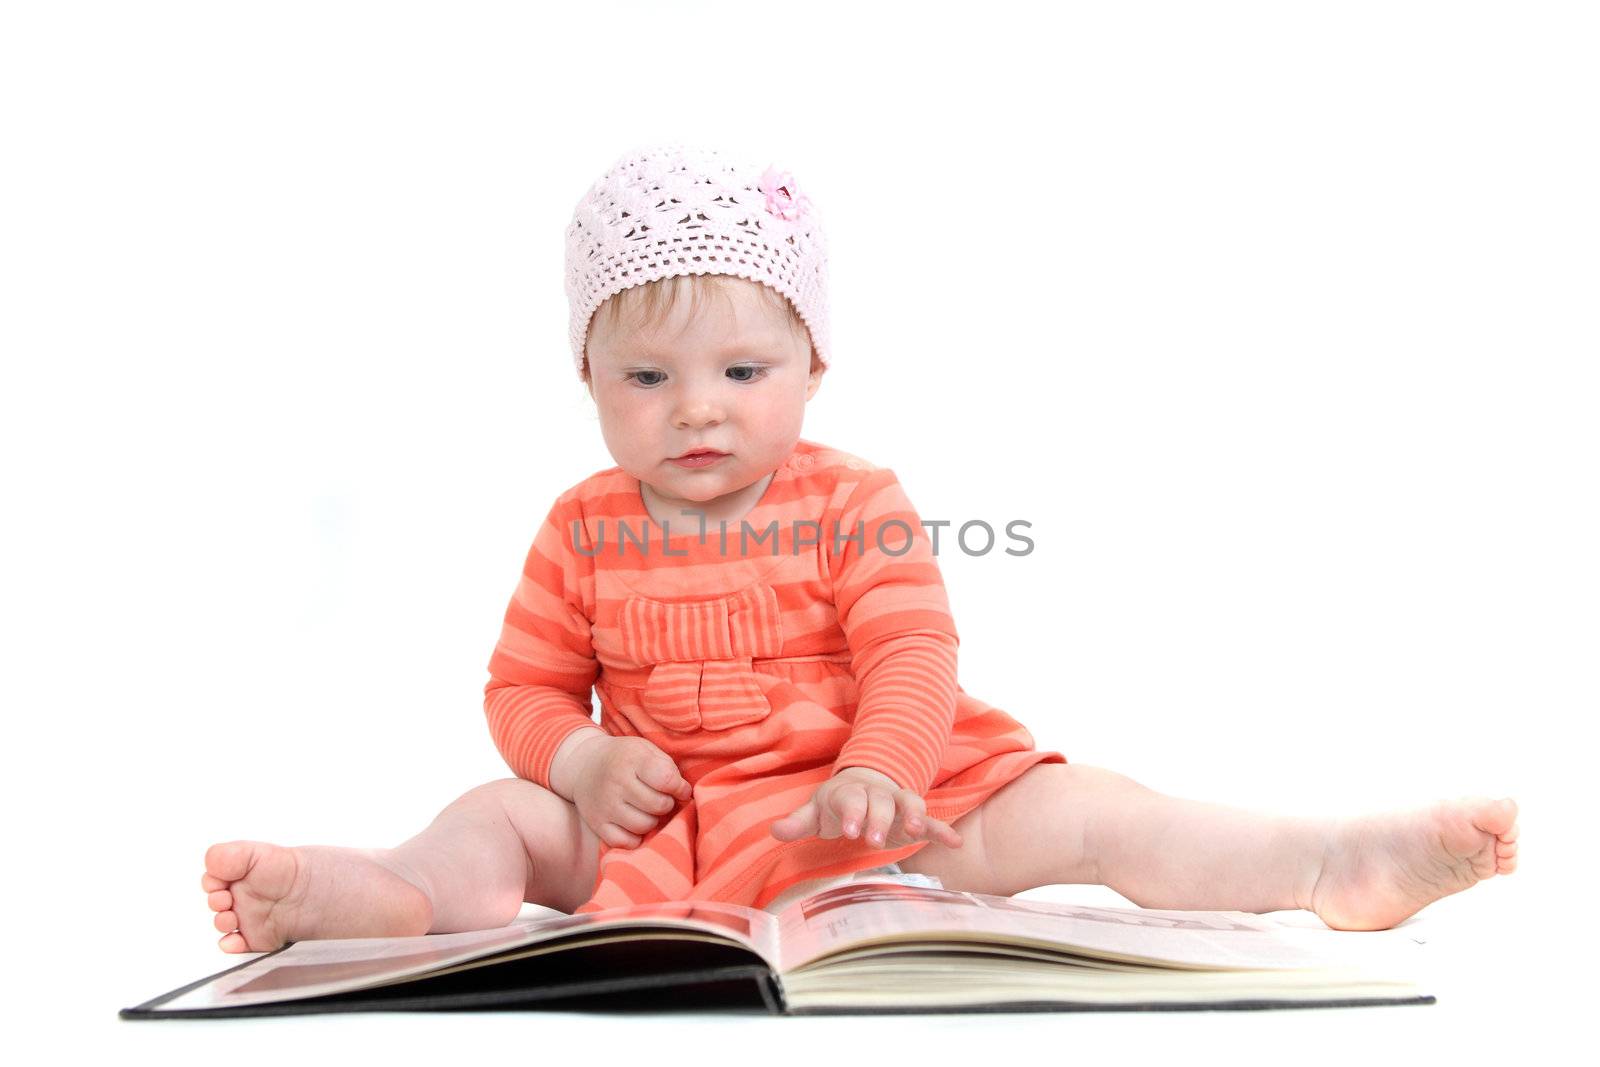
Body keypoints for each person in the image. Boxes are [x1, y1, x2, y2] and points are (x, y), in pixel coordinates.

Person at [200, 144, 1519, 951]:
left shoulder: (853, 496)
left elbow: (911, 650)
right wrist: (584, 757)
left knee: (1091, 809)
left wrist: (886, 772)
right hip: (670, 827)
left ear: (814, 366)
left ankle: (1327, 865)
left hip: (872, 807)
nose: (698, 405)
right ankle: (385, 894)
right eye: (648, 375)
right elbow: (522, 692)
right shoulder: (579, 525)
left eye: (742, 366)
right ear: (588, 374)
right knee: (496, 820)